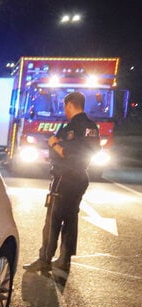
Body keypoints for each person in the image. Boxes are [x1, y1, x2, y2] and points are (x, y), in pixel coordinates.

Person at [27, 91, 99, 276]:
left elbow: (68, 153)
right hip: (81, 178)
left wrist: (53, 144)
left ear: (69, 105)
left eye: (65, 106)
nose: (64, 110)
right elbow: (92, 152)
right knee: (71, 218)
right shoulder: (92, 127)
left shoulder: (71, 128)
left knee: (53, 219)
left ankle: (45, 260)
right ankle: (65, 259)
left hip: (64, 178)